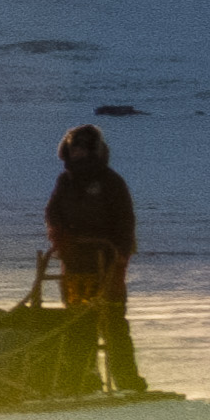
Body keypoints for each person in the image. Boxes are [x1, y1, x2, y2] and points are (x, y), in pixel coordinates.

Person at [41, 122, 143, 395]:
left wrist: (120, 255)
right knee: (77, 324)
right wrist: (58, 237)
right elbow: (53, 213)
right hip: (75, 264)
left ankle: (128, 382)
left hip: (107, 263)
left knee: (112, 323)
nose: (78, 154)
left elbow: (125, 222)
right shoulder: (66, 181)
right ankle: (82, 381)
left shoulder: (111, 182)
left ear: (94, 151)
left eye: (84, 149)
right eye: (74, 148)